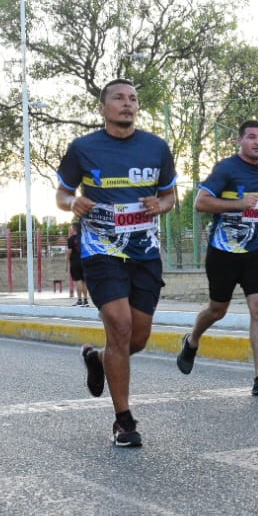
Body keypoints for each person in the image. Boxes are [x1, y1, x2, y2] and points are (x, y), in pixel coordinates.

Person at [58, 78, 178, 447]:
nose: (128, 104)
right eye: (119, 98)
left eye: (133, 99)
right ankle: (124, 421)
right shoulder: (83, 148)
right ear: (103, 107)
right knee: (121, 327)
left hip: (144, 253)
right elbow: (62, 194)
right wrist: (72, 203)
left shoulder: (156, 148)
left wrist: (163, 204)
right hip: (101, 251)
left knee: (135, 338)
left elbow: (170, 194)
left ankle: (97, 358)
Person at [177, 119, 258, 395]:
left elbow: (252, 205)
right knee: (218, 310)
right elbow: (201, 203)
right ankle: (192, 340)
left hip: (254, 250)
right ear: (240, 141)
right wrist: (239, 204)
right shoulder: (225, 168)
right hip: (223, 252)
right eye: (252, 137)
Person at [66, 220, 89, 306]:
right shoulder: (85, 238)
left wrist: (67, 263)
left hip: (75, 262)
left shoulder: (71, 239)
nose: (71, 229)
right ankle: (86, 300)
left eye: (72, 227)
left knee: (78, 280)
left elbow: (69, 252)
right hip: (85, 261)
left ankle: (79, 300)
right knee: (84, 281)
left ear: (75, 229)